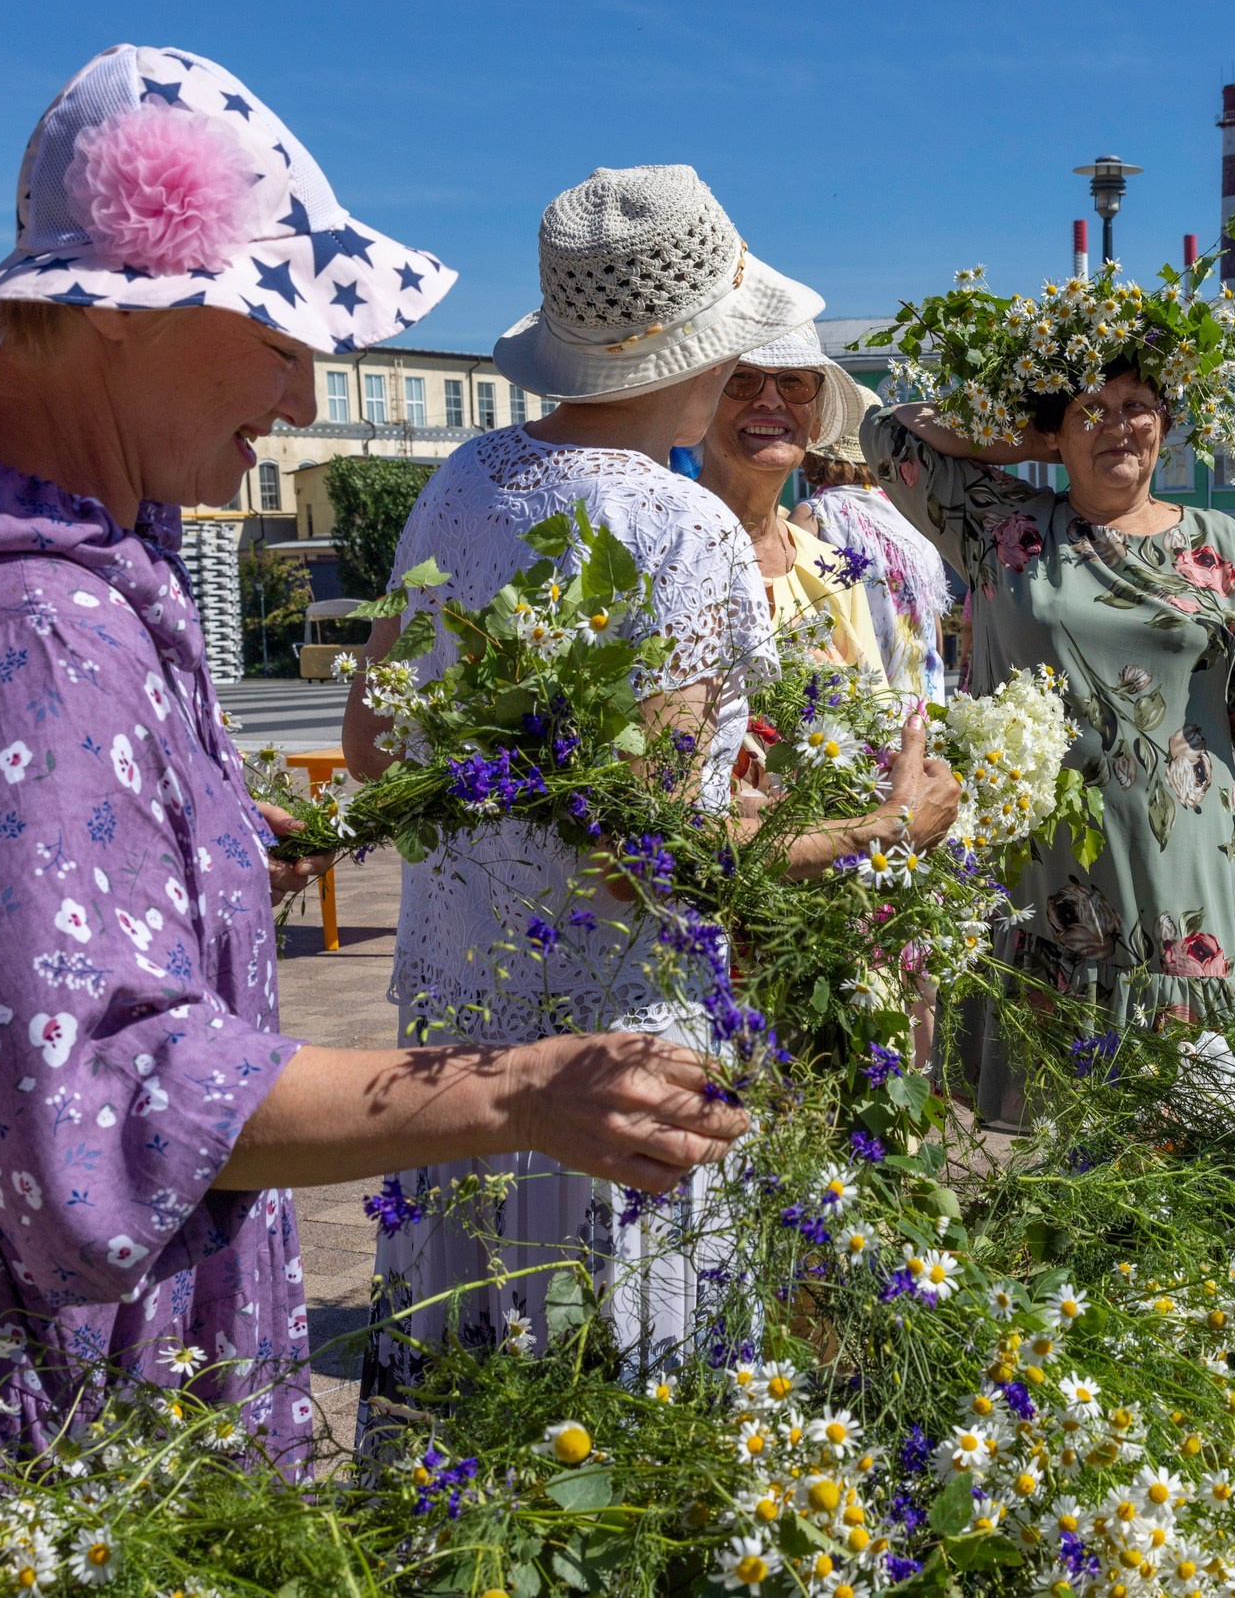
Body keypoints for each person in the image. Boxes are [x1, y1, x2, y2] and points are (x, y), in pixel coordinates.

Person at [0, 49, 751, 1596]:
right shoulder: (23, 632)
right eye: (277, 331)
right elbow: (103, 1104)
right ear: (119, 314)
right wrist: (524, 1089)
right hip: (28, 1432)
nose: (305, 393)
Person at [339, 166, 958, 1376]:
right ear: (697, 352)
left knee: (478, 1396)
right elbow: (646, 866)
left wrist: (526, 808)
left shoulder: (464, 480)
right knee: (612, 1409)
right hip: (610, 1056)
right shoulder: (681, 529)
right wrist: (886, 824)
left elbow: (374, 749)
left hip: (458, 1030)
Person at [863, 370, 1235, 1122]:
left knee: (1188, 1125)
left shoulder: (1222, 545)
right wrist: (1031, 432)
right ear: (1057, 432)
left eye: (1137, 408)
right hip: (1045, 857)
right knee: (1049, 1129)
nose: (1119, 426)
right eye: (1093, 411)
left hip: (1178, 864)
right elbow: (884, 431)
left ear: (1166, 427)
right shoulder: (1000, 525)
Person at [695, 329, 885, 681]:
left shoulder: (833, 569)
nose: (771, 400)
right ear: (701, 405)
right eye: (742, 378)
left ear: (816, 422)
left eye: (794, 382)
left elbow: (877, 718)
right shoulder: (662, 545)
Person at [791, 375, 955, 702]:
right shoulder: (911, 517)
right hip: (923, 704)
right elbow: (933, 627)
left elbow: (795, 619)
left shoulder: (815, 516)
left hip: (858, 707)